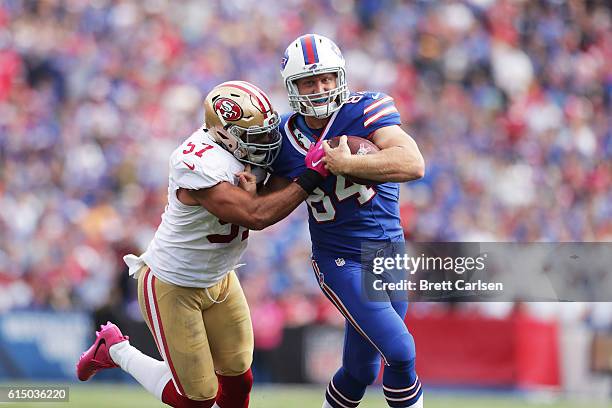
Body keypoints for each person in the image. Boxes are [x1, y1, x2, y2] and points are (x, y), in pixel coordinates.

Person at [76, 80, 328, 408]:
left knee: (239, 378)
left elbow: (260, 200)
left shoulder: (242, 149)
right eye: (256, 137)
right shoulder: (196, 162)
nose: (268, 142)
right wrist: (312, 175)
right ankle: (114, 349)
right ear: (225, 134)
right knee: (198, 398)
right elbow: (256, 215)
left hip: (220, 278)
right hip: (174, 283)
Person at [269, 34, 426, 407]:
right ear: (293, 87)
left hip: (389, 254)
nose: (320, 88)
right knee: (401, 351)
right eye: (309, 81)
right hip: (341, 259)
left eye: (326, 78)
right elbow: (267, 205)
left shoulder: (365, 109)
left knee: (360, 371)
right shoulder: (283, 137)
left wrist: (349, 165)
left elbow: (413, 163)